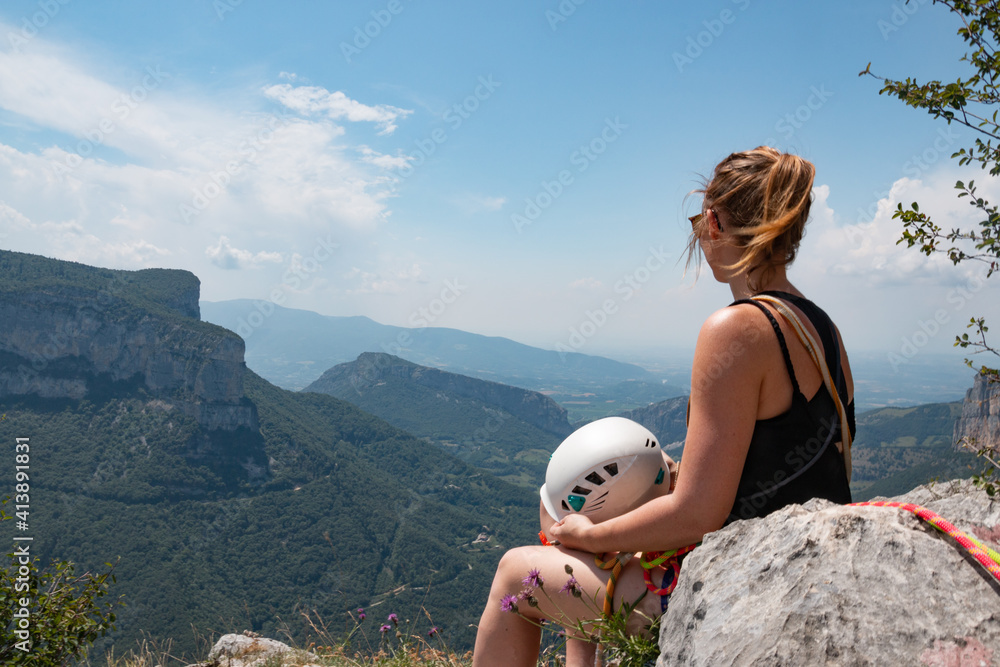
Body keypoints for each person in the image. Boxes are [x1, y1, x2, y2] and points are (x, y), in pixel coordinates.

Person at [471, 146, 855, 667]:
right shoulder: (823, 330)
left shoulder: (735, 329)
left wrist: (592, 533)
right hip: (810, 568)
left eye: (700, 221)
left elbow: (699, 513)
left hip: (739, 587)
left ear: (715, 221)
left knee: (517, 574)